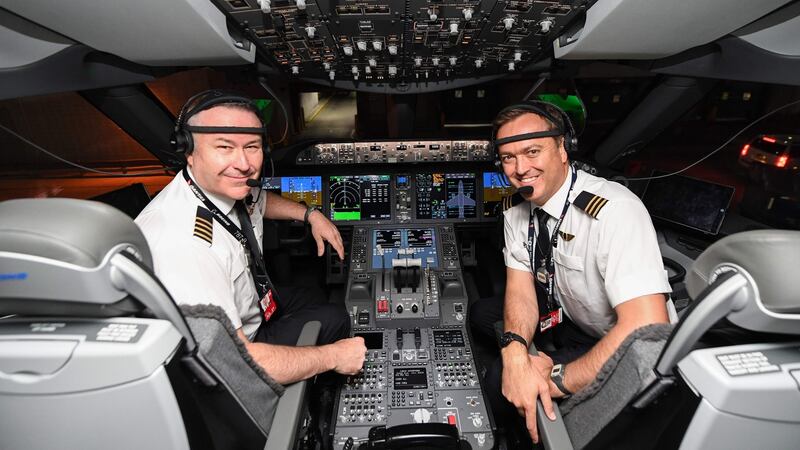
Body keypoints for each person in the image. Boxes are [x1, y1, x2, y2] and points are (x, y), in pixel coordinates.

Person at [135, 90, 366, 384]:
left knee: (313, 295)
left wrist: (310, 214)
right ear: (189, 151)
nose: (243, 164)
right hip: (245, 348)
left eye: (252, 146)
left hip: (252, 305)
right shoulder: (182, 244)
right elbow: (233, 361)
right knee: (336, 318)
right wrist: (333, 356)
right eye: (225, 147)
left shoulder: (222, 188)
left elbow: (261, 201)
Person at [483, 101, 673, 445]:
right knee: (483, 318)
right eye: (508, 157)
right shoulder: (516, 209)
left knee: (498, 381)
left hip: (626, 344)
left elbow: (646, 329)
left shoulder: (615, 211)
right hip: (570, 320)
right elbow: (522, 290)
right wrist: (514, 355)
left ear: (563, 149)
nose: (520, 168)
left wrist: (556, 378)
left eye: (532, 151)